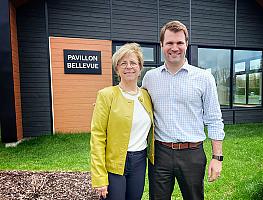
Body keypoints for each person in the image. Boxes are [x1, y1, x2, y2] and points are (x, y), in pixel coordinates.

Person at [142, 20, 225, 200]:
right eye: (170, 43)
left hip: (192, 154)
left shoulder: (204, 78)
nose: (175, 47)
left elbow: (214, 119)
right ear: (161, 45)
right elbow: (138, 107)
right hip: (160, 153)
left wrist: (217, 158)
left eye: (180, 42)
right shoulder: (150, 78)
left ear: (186, 44)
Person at [90, 43, 154, 200]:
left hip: (140, 160)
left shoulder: (146, 96)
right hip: (115, 162)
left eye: (133, 62)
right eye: (123, 63)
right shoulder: (106, 95)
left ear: (140, 68)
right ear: (117, 69)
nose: (128, 67)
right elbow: (97, 136)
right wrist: (99, 177)